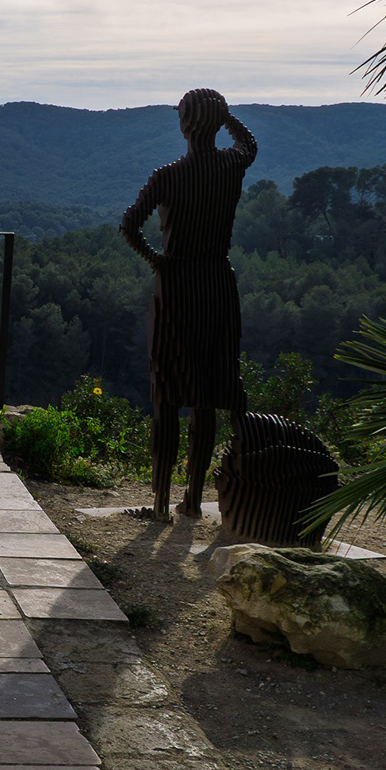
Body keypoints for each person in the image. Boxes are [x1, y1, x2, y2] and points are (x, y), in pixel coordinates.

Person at [119, 88, 257, 520]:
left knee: (168, 394)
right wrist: (226, 115)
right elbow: (249, 144)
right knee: (209, 392)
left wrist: (157, 261)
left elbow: (129, 225)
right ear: (216, 123)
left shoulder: (167, 175)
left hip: (176, 284)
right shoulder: (232, 166)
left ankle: (159, 502)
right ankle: (193, 501)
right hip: (217, 283)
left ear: (183, 124)